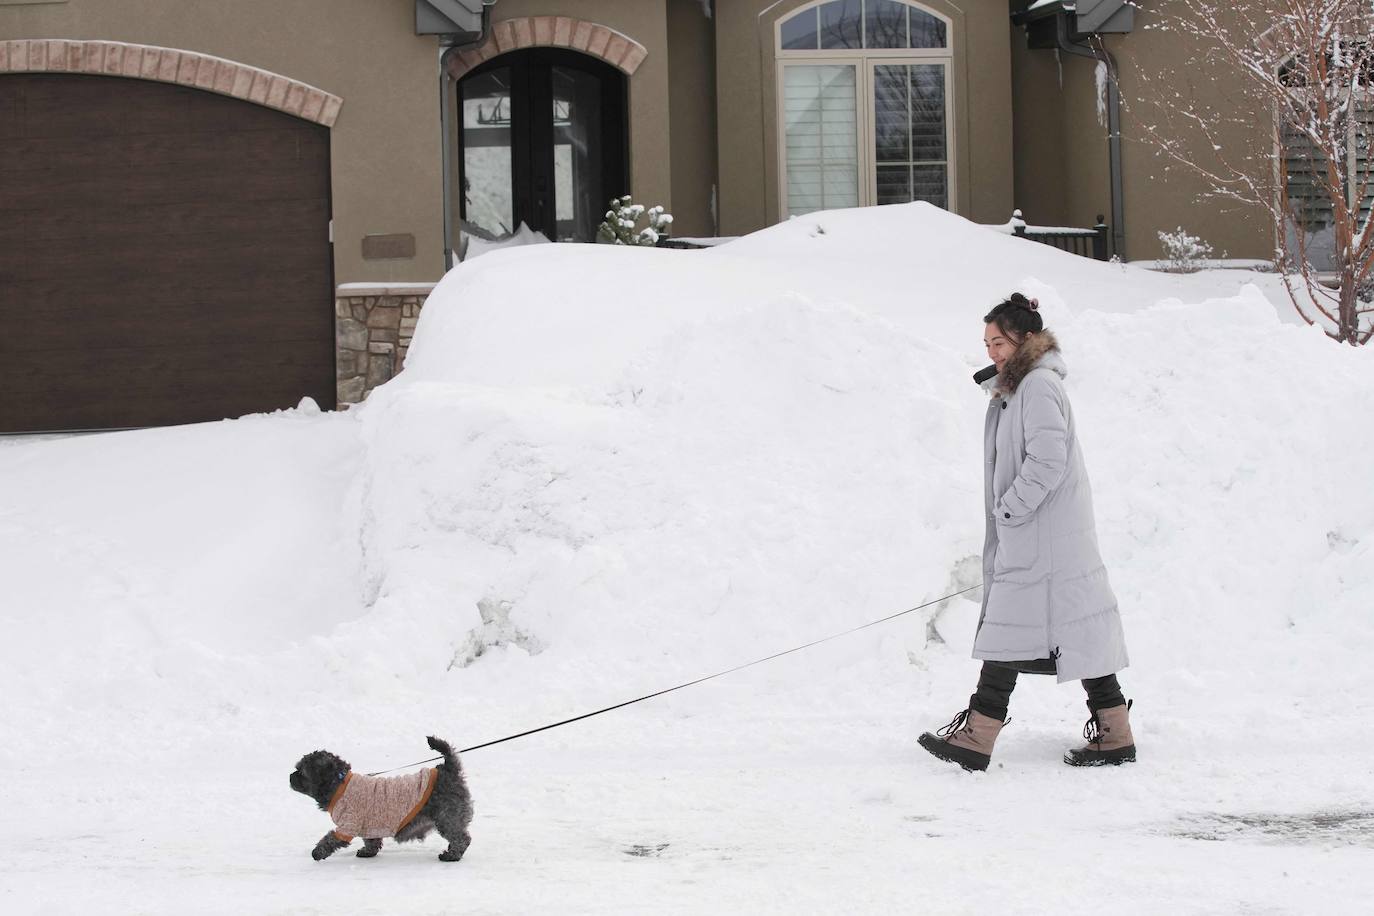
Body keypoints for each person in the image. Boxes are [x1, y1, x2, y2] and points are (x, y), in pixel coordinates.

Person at [918, 293, 1134, 772]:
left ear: (1028, 339)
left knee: (1008, 633)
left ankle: (978, 736)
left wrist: (1011, 510)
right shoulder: (1019, 388)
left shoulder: (1036, 386)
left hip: (1041, 537)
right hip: (1043, 537)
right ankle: (1114, 731)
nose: (991, 351)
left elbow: (1048, 459)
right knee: (1073, 629)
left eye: (999, 341)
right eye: (988, 343)